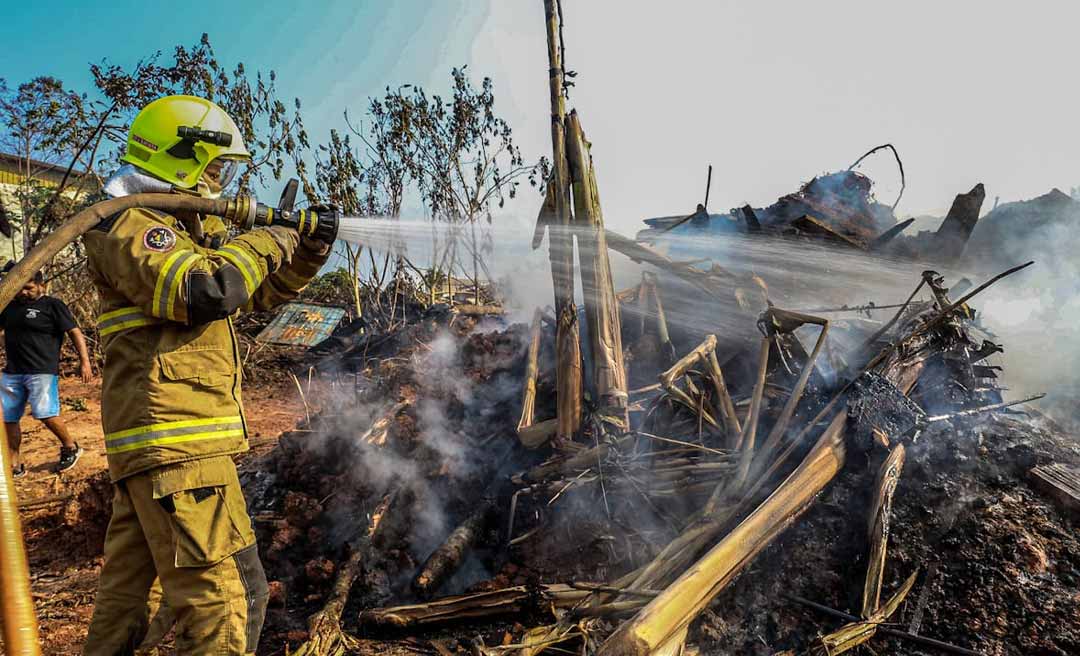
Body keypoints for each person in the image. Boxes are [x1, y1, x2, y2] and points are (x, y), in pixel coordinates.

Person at [81, 95, 330, 655]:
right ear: (178, 159)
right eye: (215, 168)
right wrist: (274, 235)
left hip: (160, 453)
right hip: (178, 453)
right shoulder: (130, 224)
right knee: (231, 604)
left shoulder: (173, 226)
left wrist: (307, 249)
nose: (222, 181)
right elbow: (206, 291)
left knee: (128, 610)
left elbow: (253, 294)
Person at [0, 269, 92, 476]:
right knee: (8, 418)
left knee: (45, 413)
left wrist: (84, 361)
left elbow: (74, 332)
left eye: (29, 287)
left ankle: (70, 447)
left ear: (42, 285)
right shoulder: (8, 307)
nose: (23, 292)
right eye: (19, 288)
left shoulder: (52, 305)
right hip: (12, 372)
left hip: (41, 370)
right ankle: (15, 464)